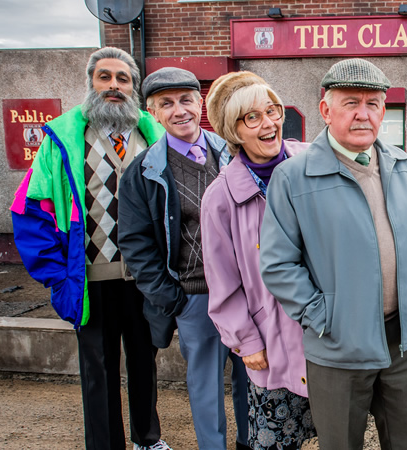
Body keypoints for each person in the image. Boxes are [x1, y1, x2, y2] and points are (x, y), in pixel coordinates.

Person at [259, 58, 407, 449]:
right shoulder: (293, 177)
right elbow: (277, 263)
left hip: (403, 341)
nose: (363, 113)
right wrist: (323, 318)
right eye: (351, 102)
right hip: (338, 344)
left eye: (373, 103)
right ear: (326, 109)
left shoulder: (403, 166)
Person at [9, 47, 170, 450]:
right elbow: (30, 211)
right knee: (97, 367)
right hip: (89, 278)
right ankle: (105, 444)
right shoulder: (60, 142)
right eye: (105, 77)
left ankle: (147, 439)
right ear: (91, 83)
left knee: (143, 362)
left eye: (122, 78)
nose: (113, 86)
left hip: (143, 277)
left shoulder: (154, 136)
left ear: (133, 88)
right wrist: (56, 275)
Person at [117, 67, 250, 449]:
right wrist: (172, 298)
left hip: (246, 294)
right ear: (152, 112)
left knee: (253, 380)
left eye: (186, 100)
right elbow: (136, 244)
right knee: (205, 388)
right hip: (194, 297)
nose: (179, 111)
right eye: (167, 103)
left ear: (200, 104)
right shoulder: (142, 172)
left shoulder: (235, 151)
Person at [201, 71, 316, 449]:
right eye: (252, 117)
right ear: (233, 130)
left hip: (323, 331)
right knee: (274, 442)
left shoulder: (312, 161)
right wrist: (246, 341)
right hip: (273, 342)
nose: (269, 123)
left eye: (272, 110)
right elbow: (223, 282)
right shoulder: (220, 197)